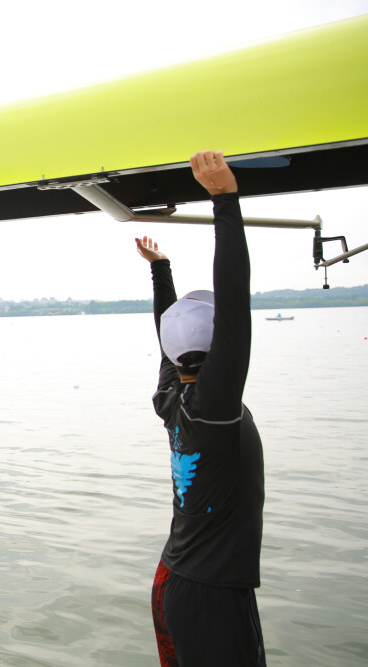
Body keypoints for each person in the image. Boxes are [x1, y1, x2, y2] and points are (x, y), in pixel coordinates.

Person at [135, 151, 266, 666]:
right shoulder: (212, 405)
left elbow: (168, 337)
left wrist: (161, 272)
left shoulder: (176, 399)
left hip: (175, 581)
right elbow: (236, 301)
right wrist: (224, 203)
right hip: (210, 593)